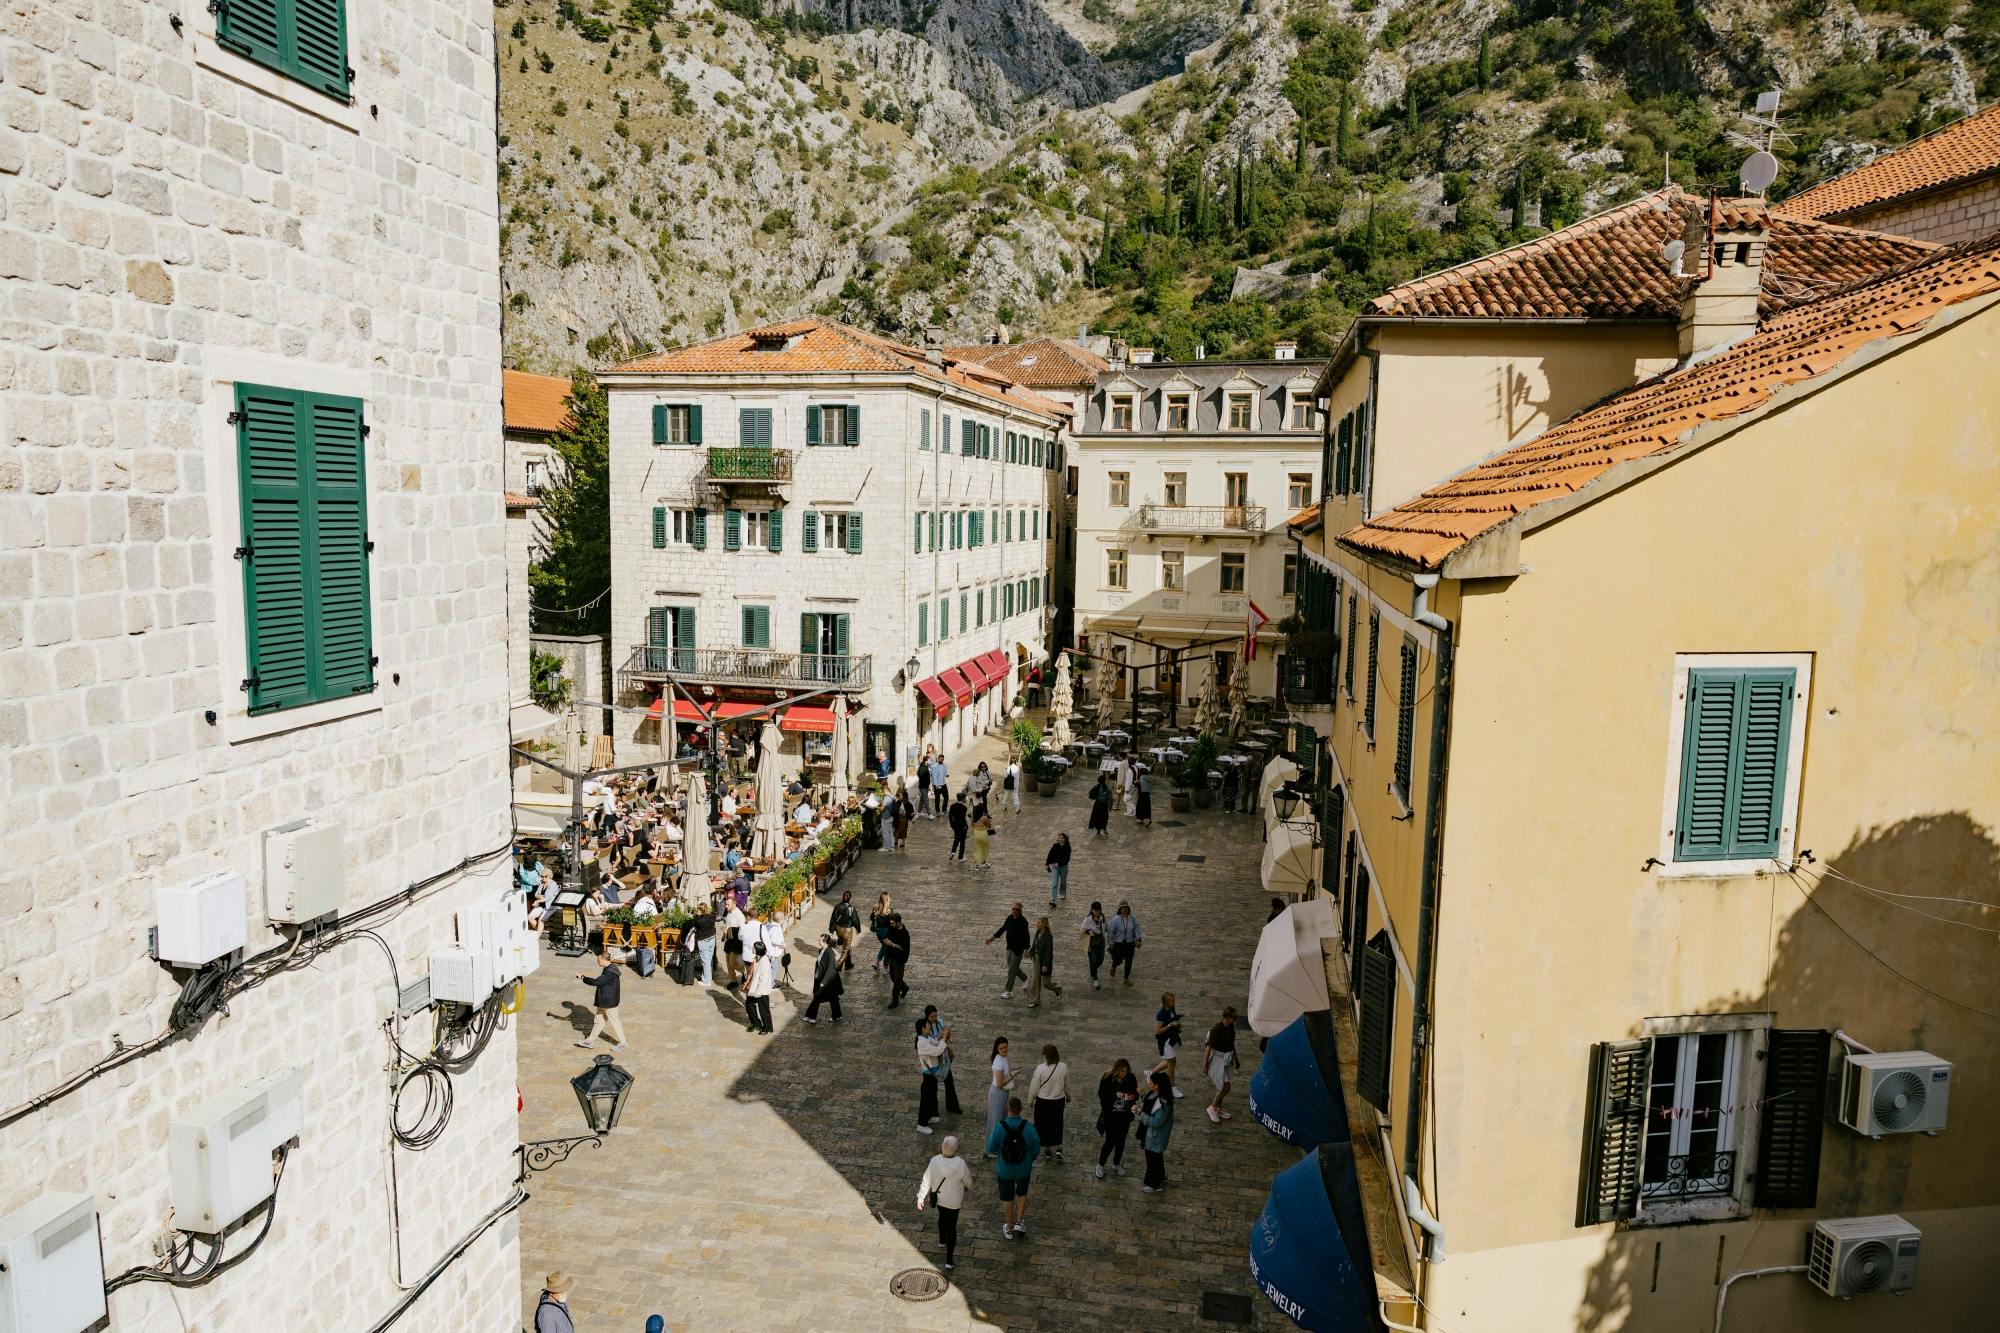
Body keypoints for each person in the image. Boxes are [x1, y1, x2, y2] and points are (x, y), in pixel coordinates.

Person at [985, 1095, 1041, 1240]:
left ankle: (1008, 1227)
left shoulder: (999, 1127)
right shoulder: (1028, 1127)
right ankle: (1019, 1222)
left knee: (1007, 1197)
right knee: (1022, 1194)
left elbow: (991, 1147)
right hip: (1023, 1168)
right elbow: (1036, 1148)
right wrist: (1029, 1158)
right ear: (1020, 1110)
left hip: (1005, 1169)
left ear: (1007, 1109)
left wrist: (1001, 1152)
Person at [917, 1135, 973, 1270]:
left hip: (940, 1198)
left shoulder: (935, 1161)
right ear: (956, 1150)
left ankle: (942, 1240)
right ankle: (949, 1261)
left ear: (943, 1148)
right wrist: (968, 1187)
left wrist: (921, 1197)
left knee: (942, 1216)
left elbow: (926, 1180)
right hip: (954, 1201)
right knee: (952, 1226)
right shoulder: (960, 1163)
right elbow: (968, 1181)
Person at [1095, 1057, 1140, 1179]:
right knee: (1109, 1141)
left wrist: (1133, 1095)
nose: (1124, 1074)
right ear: (1116, 1070)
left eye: (1126, 1071)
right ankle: (1101, 1164)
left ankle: (1116, 1163)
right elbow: (1102, 1095)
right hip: (1111, 1116)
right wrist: (1114, 1095)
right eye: (1121, 1071)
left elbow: (1135, 1095)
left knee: (1121, 1141)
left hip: (1125, 1116)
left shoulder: (1130, 1078)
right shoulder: (1107, 1078)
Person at [1026, 1043, 1070, 1163]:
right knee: (1057, 1124)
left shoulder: (1040, 1068)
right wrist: (1068, 1096)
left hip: (1043, 1102)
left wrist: (1030, 1100)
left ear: (1046, 1055)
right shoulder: (1063, 1067)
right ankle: (1059, 1148)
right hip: (1058, 1101)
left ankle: (1047, 1149)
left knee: (1044, 1126)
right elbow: (1066, 1084)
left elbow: (1034, 1087)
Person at [573, 950, 626, 1051]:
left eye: (598, 960)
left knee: (615, 1022)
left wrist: (582, 977)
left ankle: (623, 1043)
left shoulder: (609, 972)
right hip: (604, 1001)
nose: (597, 962)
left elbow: (596, 982)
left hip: (608, 1002)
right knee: (598, 1021)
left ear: (603, 959)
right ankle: (589, 1040)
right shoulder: (611, 968)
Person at [1137, 1071, 1176, 1192]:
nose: (1149, 1083)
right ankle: (1161, 1177)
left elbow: (1156, 1122)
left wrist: (1140, 1113)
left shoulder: (1163, 1103)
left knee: (1152, 1159)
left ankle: (1154, 1184)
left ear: (1157, 1085)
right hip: (1153, 1136)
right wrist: (1142, 1095)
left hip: (1155, 1136)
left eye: (1151, 1082)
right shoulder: (1157, 1094)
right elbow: (1150, 1101)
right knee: (1157, 1157)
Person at [924, 1005, 964, 1114]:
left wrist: (947, 1034)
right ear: (927, 1017)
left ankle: (952, 1106)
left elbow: (946, 1039)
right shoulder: (925, 1027)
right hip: (932, 1060)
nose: (935, 1018)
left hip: (943, 1057)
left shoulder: (939, 1021)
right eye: (932, 1016)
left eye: (936, 1015)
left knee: (949, 1082)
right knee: (933, 1086)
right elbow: (930, 1045)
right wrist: (940, 1036)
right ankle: (932, 1110)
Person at [916, 1016, 951, 1132]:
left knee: (932, 1095)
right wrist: (944, 1038)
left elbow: (935, 1043)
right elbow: (937, 1051)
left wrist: (941, 1037)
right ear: (923, 1028)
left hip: (933, 1073)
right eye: (927, 1025)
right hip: (928, 1074)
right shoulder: (921, 1042)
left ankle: (930, 1116)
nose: (930, 1026)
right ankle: (921, 1124)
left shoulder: (927, 1037)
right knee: (926, 1098)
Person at [988, 903, 1031, 999]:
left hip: (1018, 950)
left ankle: (1009, 991)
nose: (1014, 911)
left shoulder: (1023, 922)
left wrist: (1026, 949)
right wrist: (993, 937)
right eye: (1013, 909)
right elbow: (1003, 928)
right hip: (1009, 948)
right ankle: (1025, 978)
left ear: (1020, 911)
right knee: (1012, 967)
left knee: (1012, 970)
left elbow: (1026, 936)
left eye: (1017, 910)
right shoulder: (1010, 918)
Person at [1204, 1006, 1239, 1121]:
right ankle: (1212, 1107)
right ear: (1226, 1017)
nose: (1234, 1020)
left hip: (1226, 1059)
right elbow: (1208, 1049)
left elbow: (1231, 1044)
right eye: (1233, 1018)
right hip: (1217, 1060)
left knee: (1223, 1086)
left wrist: (1235, 1059)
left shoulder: (1231, 1027)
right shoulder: (1217, 1029)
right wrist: (1205, 1066)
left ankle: (1218, 1108)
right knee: (1224, 1087)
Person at [985, 1036, 1018, 1149]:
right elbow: (1000, 1083)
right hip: (998, 1093)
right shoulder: (999, 1061)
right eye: (1001, 1048)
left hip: (1002, 1093)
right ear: (997, 1049)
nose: (1004, 1050)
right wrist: (1012, 1076)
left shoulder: (1002, 1058)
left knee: (1000, 1120)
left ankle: (997, 1146)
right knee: (995, 1122)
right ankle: (990, 1149)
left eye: (1005, 1047)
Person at [803, 933, 843, 1024]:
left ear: (825, 942)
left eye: (820, 940)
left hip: (829, 980)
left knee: (818, 996)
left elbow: (830, 969)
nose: (818, 941)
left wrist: (823, 982)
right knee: (833, 998)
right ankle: (837, 1015)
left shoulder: (830, 953)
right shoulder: (822, 950)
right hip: (822, 978)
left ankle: (811, 1016)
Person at [1152, 993, 1184, 1097]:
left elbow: (1172, 1019)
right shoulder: (1161, 1014)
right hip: (1165, 1041)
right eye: (1171, 1001)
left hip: (1170, 1038)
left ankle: (1151, 1073)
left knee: (1170, 1062)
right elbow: (1157, 1031)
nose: (1173, 1003)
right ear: (1165, 1002)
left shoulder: (1171, 1008)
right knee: (1172, 1062)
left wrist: (1177, 1018)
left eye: (1174, 1000)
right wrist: (1171, 1025)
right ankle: (1171, 1087)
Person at [1027, 916, 1062, 1007]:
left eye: (1039, 923)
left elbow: (1048, 951)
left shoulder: (1048, 936)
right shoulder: (1038, 932)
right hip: (1036, 959)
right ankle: (1035, 1000)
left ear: (1044, 924)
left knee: (1045, 983)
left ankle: (1057, 989)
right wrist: (1030, 952)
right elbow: (1035, 944)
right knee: (1035, 980)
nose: (1037, 924)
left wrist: (1045, 965)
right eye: (1037, 922)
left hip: (1044, 962)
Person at [1106, 901, 1142, 984]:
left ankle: (1126, 978)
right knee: (1118, 959)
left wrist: (1138, 939)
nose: (1124, 909)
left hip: (1130, 943)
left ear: (1128, 909)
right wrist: (1110, 942)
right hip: (1119, 943)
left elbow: (1137, 929)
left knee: (1129, 961)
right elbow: (1110, 931)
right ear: (1120, 909)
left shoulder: (1132, 918)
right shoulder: (1116, 919)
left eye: (1126, 908)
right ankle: (1114, 966)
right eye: (1122, 908)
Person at [744, 942, 776, 1034]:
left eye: (754, 948)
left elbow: (764, 979)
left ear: (758, 949)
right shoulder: (757, 958)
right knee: (749, 1005)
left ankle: (766, 1028)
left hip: (761, 990)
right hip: (754, 987)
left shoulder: (765, 961)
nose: (752, 949)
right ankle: (756, 1023)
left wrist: (758, 992)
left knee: (764, 1009)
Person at [883, 913, 911, 1007]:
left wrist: (892, 944)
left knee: (897, 981)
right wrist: (886, 941)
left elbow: (903, 948)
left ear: (898, 922)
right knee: (892, 977)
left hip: (899, 959)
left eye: (893, 923)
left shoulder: (904, 933)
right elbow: (888, 937)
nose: (891, 925)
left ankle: (895, 1001)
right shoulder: (892, 928)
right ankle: (905, 987)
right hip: (891, 957)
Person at [829, 891, 861, 971]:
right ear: (850, 898)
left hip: (838, 930)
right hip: (847, 931)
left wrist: (832, 929)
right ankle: (838, 966)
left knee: (847, 946)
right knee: (845, 950)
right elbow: (855, 920)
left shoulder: (837, 906)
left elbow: (833, 918)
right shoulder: (851, 908)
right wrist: (858, 929)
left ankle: (848, 964)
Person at [1079, 901, 1108, 989]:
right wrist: (1089, 932)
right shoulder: (1087, 919)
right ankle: (1095, 979)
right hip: (1091, 942)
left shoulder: (1102, 918)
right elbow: (1082, 930)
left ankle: (1093, 968)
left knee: (1100, 960)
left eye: (1099, 910)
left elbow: (1106, 929)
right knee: (1094, 960)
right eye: (1096, 911)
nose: (1097, 912)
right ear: (1092, 910)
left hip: (1101, 942)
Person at [692, 902, 718, 986]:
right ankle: (708, 977)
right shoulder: (712, 916)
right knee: (709, 959)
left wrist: (697, 914)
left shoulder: (699, 920)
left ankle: (706, 981)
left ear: (699, 910)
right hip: (712, 939)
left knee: (705, 961)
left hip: (703, 940)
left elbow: (694, 923)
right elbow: (713, 912)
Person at [1044, 833, 1071, 908]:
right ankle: (1053, 900)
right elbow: (1050, 855)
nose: (1061, 839)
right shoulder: (1055, 846)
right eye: (1059, 838)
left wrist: (1058, 864)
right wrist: (1047, 864)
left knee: (1063, 881)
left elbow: (1067, 859)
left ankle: (1062, 893)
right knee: (1054, 883)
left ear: (1065, 839)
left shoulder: (1067, 847)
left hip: (1063, 867)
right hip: (1054, 867)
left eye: (1062, 838)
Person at [870, 891, 894, 971]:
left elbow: (871, 918)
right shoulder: (889, 910)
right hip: (886, 932)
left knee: (885, 946)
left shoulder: (875, 908)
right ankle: (882, 963)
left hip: (878, 932)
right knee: (887, 946)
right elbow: (891, 923)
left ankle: (881, 964)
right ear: (887, 900)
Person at [946, 792, 970, 862]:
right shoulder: (964, 808)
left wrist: (952, 825)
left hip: (955, 826)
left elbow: (950, 817)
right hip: (962, 827)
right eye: (965, 798)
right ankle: (960, 857)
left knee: (956, 839)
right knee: (962, 842)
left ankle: (953, 851)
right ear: (962, 799)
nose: (966, 799)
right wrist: (966, 826)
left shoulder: (952, 806)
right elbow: (962, 818)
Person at [915, 746, 934, 818]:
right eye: (929, 760)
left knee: (922, 800)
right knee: (926, 800)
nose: (930, 761)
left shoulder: (924, 766)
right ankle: (929, 814)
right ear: (926, 761)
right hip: (923, 786)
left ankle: (919, 812)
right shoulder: (923, 767)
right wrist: (927, 783)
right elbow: (921, 776)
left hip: (925, 786)